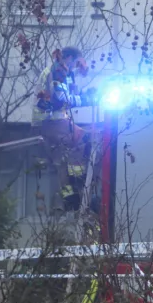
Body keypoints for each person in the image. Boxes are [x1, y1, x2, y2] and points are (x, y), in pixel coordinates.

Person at [32, 46, 96, 212]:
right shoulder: (59, 72)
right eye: (75, 62)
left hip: (49, 121)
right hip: (52, 120)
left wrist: (81, 95)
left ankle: (69, 197)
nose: (75, 66)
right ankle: (77, 180)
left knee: (61, 164)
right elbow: (61, 100)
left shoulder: (57, 71)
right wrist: (86, 99)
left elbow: (65, 95)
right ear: (68, 58)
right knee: (82, 138)